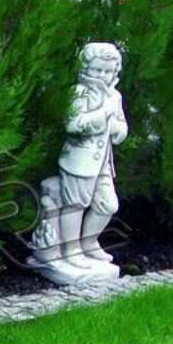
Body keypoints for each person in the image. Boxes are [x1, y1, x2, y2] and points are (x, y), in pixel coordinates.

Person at [57, 42, 127, 267]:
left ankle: (89, 242)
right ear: (86, 68)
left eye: (108, 71)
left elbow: (121, 126)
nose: (102, 75)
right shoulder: (80, 92)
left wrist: (117, 129)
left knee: (108, 205)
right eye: (97, 70)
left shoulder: (115, 96)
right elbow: (73, 124)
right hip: (79, 161)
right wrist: (103, 114)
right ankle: (71, 249)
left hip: (103, 163)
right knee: (75, 204)